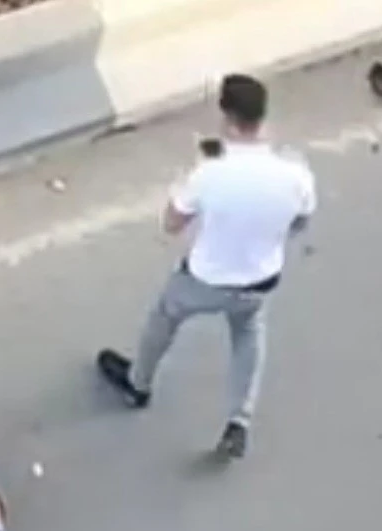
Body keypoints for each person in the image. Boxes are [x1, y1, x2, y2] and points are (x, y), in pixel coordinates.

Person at [95, 73, 316, 459]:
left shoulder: (208, 174)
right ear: (263, 118)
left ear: (227, 119)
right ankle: (239, 421)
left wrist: (188, 176)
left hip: (205, 279)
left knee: (165, 316)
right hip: (260, 280)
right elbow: (299, 223)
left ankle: (138, 383)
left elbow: (171, 222)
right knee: (248, 333)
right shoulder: (295, 174)